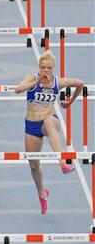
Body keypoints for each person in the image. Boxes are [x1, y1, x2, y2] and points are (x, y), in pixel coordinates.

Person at [14, 50, 83, 214]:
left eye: (49, 68)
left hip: (49, 120)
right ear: (39, 67)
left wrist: (68, 103)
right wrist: (37, 81)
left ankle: (62, 162)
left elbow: (80, 83)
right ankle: (42, 194)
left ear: (53, 68)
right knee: (33, 166)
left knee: (48, 122)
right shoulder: (32, 78)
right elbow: (18, 89)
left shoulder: (58, 82)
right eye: (44, 67)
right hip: (31, 125)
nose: (46, 71)